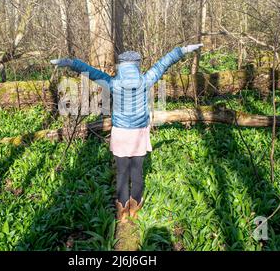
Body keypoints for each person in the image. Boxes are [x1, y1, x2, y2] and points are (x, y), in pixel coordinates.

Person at [50, 44, 203, 225]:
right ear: (137, 65)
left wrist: (68, 62)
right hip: (139, 133)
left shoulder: (113, 83)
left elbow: (89, 71)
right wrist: (184, 50)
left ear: (121, 66)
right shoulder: (146, 80)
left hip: (121, 133)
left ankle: (121, 209)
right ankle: (135, 207)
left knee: (122, 172)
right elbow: (164, 63)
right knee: (137, 171)